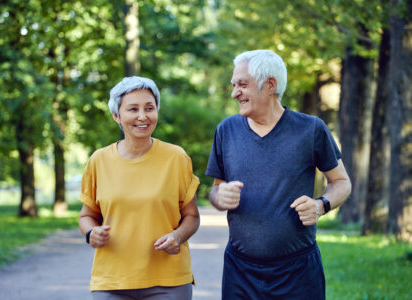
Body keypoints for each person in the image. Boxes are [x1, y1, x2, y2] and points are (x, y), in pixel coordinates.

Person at [206, 49, 352, 299]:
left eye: (242, 84)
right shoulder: (226, 130)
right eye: (234, 85)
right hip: (240, 272)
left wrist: (321, 205)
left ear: (270, 84)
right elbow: (216, 190)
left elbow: (341, 182)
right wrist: (219, 196)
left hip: (298, 272)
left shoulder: (311, 129)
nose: (234, 93)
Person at [79, 76, 200, 300]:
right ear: (117, 116)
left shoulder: (176, 158)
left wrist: (178, 236)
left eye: (149, 108)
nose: (142, 116)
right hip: (112, 281)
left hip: (168, 282)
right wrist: (90, 233)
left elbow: (192, 216)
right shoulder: (99, 161)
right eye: (133, 109)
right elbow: (87, 216)